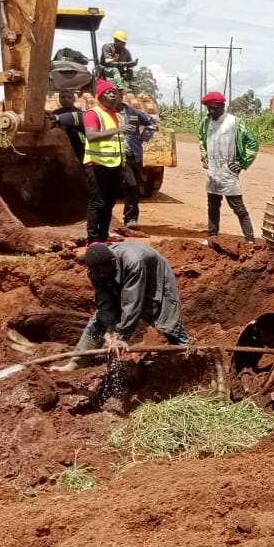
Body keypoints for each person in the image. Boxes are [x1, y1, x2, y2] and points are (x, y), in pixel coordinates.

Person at [50, 242, 189, 372]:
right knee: (99, 319)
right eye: (98, 273)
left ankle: (187, 352)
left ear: (112, 263)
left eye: (103, 272)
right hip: (123, 275)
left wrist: (122, 337)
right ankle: (76, 363)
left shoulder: (134, 262)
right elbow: (105, 303)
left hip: (155, 277)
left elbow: (132, 301)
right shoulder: (95, 271)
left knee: (165, 317)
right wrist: (112, 331)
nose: (101, 275)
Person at [198, 90, 258, 243]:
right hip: (212, 173)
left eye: (215, 108)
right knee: (212, 206)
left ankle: (250, 240)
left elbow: (252, 143)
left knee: (238, 208)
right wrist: (204, 156)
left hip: (228, 172)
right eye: (209, 108)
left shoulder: (235, 123)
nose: (211, 111)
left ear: (222, 105)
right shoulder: (205, 123)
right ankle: (212, 236)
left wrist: (242, 163)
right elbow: (201, 140)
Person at [82, 78, 131, 245]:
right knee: (98, 202)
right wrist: (118, 129)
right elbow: (91, 136)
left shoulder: (117, 116)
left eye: (115, 93)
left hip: (115, 165)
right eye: (109, 92)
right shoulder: (93, 113)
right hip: (97, 164)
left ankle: (103, 236)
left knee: (109, 203)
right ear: (100, 96)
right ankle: (93, 238)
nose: (113, 95)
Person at [116, 96, 158, 228]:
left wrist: (144, 137)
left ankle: (131, 219)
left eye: (118, 93)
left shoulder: (133, 112)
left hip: (134, 155)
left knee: (135, 188)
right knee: (128, 185)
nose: (114, 96)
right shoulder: (105, 114)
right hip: (114, 156)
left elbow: (152, 122)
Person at [49, 89, 87, 163]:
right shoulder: (55, 113)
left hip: (78, 146)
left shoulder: (79, 113)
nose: (66, 99)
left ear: (74, 99)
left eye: (69, 97)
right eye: (63, 97)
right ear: (59, 99)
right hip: (59, 146)